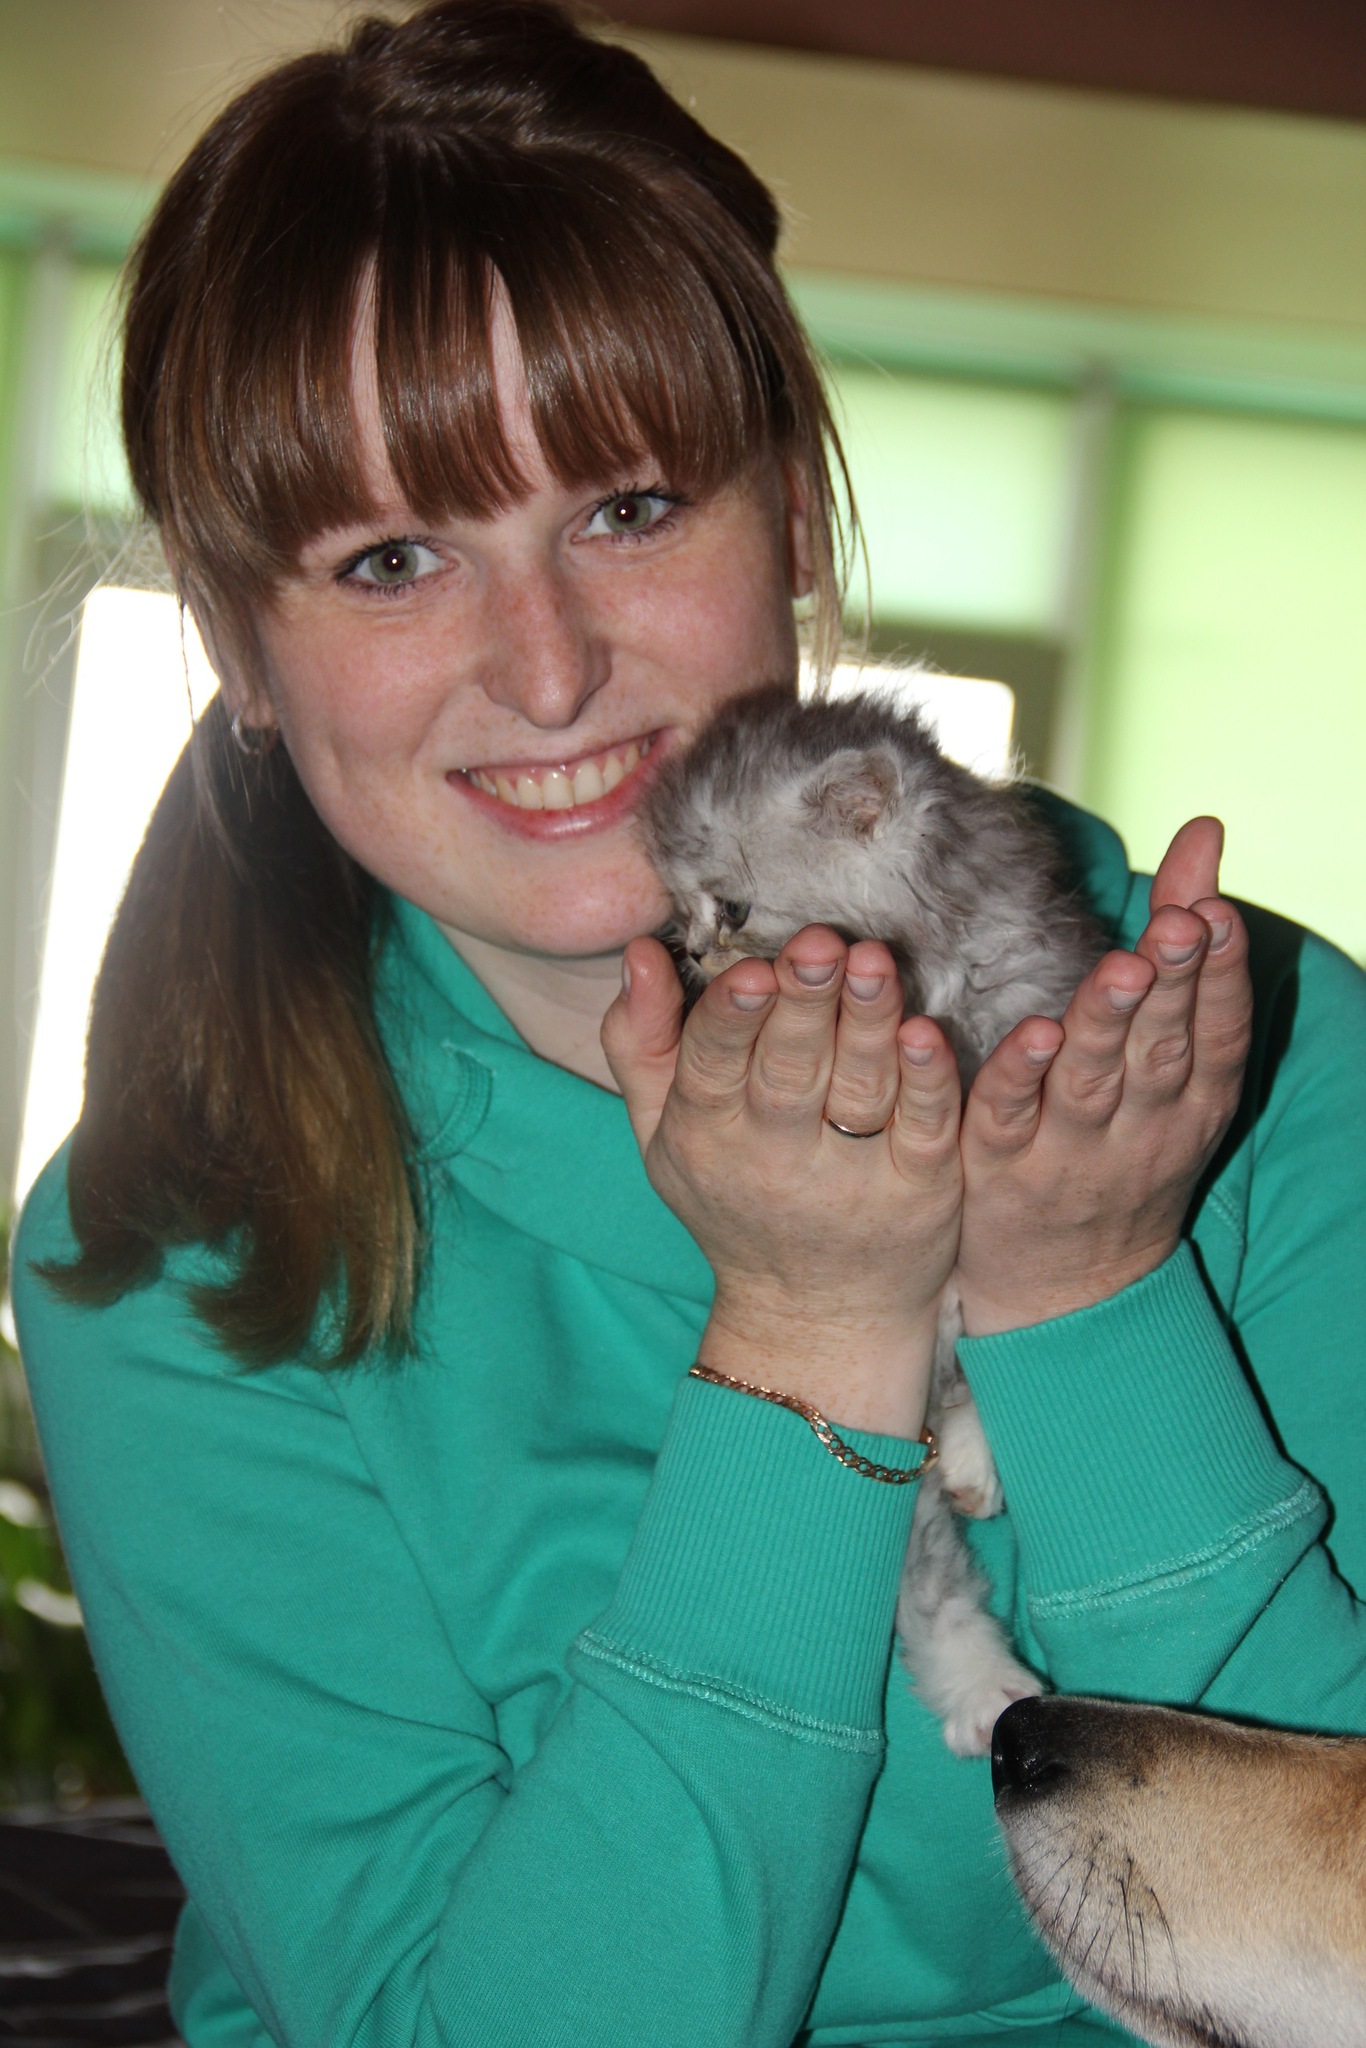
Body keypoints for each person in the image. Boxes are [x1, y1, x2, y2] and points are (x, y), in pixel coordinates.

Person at [10, 5, 1366, 2045]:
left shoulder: (1263, 1050)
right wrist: (811, 1332)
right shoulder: (170, 1252)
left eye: (628, 509)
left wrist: (1087, 1288)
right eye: (392, 558)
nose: (547, 668)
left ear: (792, 517)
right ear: (246, 659)